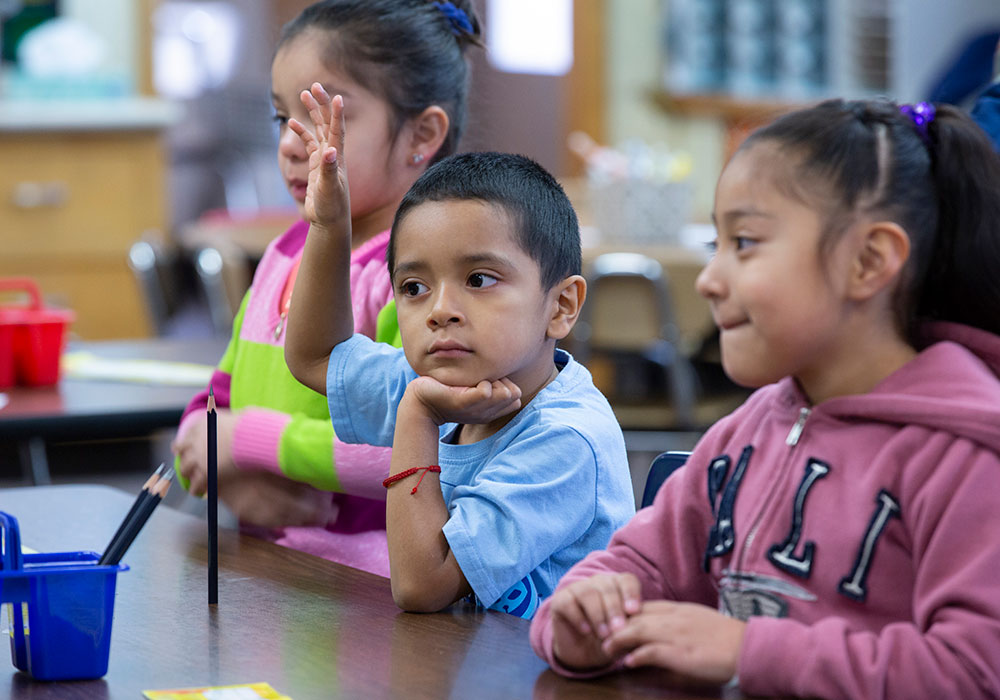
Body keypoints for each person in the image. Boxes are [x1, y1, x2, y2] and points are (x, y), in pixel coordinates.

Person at [529, 98, 1000, 698]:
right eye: (713, 247)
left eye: (745, 243)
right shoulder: (747, 428)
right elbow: (637, 566)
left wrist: (747, 652)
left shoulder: (966, 455)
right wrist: (580, 615)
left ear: (869, 261)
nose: (709, 280)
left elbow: (975, 674)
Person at [282, 84, 636, 618]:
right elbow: (313, 356)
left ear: (561, 305)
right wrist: (330, 225)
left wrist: (417, 416)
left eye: (479, 278)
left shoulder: (566, 438)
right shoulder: (443, 382)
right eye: (414, 287)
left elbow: (422, 587)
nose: (440, 310)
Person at [171, 0, 482, 576]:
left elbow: (425, 452)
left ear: (422, 133)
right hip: (272, 570)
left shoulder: (417, 278)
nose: (290, 143)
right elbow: (223, 393)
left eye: (320, 116)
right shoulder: (286, 252)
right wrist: (209, 446)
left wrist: (248, 443)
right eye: (279, 117)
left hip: (369, 585)